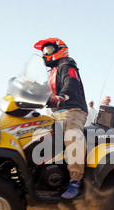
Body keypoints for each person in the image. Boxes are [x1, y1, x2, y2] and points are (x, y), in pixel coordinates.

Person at [34, 37, 88, 199]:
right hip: (55, 112)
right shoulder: (53, 71)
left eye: (48, 50)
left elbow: (69, 85)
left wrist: (62, 96)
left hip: (72, 111)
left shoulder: (67, 66)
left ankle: (75, 181)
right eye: (43, 52)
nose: (45, 54)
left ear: (60, 49)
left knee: (73, 136)